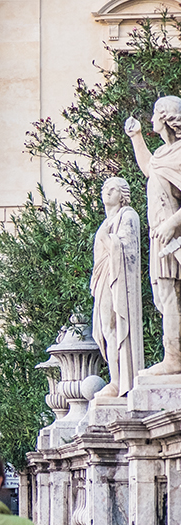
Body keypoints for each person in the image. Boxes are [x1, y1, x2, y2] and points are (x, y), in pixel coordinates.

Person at [126, 97, 181, 375]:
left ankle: (173, 358)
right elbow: (150, 168)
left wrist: (172, 224)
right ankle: (172, 355)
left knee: (170, 295)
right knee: (162, 296)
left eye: (154, 115)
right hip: (159, 237)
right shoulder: (162, 155)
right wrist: (136, 137)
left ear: (166, 118)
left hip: (173, 237)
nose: (151, 120)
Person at [90, 177, 144, 396]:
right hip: (103, 276)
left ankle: (119, 381)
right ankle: (116, 379)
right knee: (106, 329)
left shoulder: (128, 216)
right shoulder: (106, 221)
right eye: (104, 188)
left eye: (112, 189)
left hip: (117, 278)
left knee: (113, 326)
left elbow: (129, 251)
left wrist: (105, 238)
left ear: (123, 195)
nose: (106, 192)